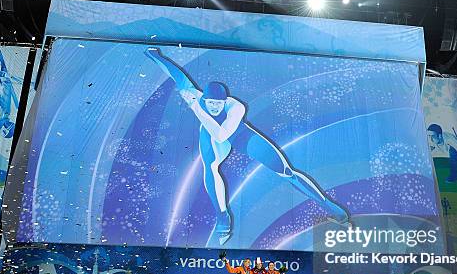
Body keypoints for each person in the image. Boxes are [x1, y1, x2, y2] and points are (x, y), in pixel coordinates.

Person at [145, 48, 350, 245]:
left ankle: (328, 205)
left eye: (219, 103)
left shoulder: (235, 107)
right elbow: (177, 76)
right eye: (211, 103)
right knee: (211, 167)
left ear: (225, 101)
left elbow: (222, 134)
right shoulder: (195, 97)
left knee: (286, 171)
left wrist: (198, 109)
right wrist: (155, 55)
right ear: (205, 98)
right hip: (210, 138)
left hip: (237, 134)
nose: (215, 107)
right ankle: (222, 216)